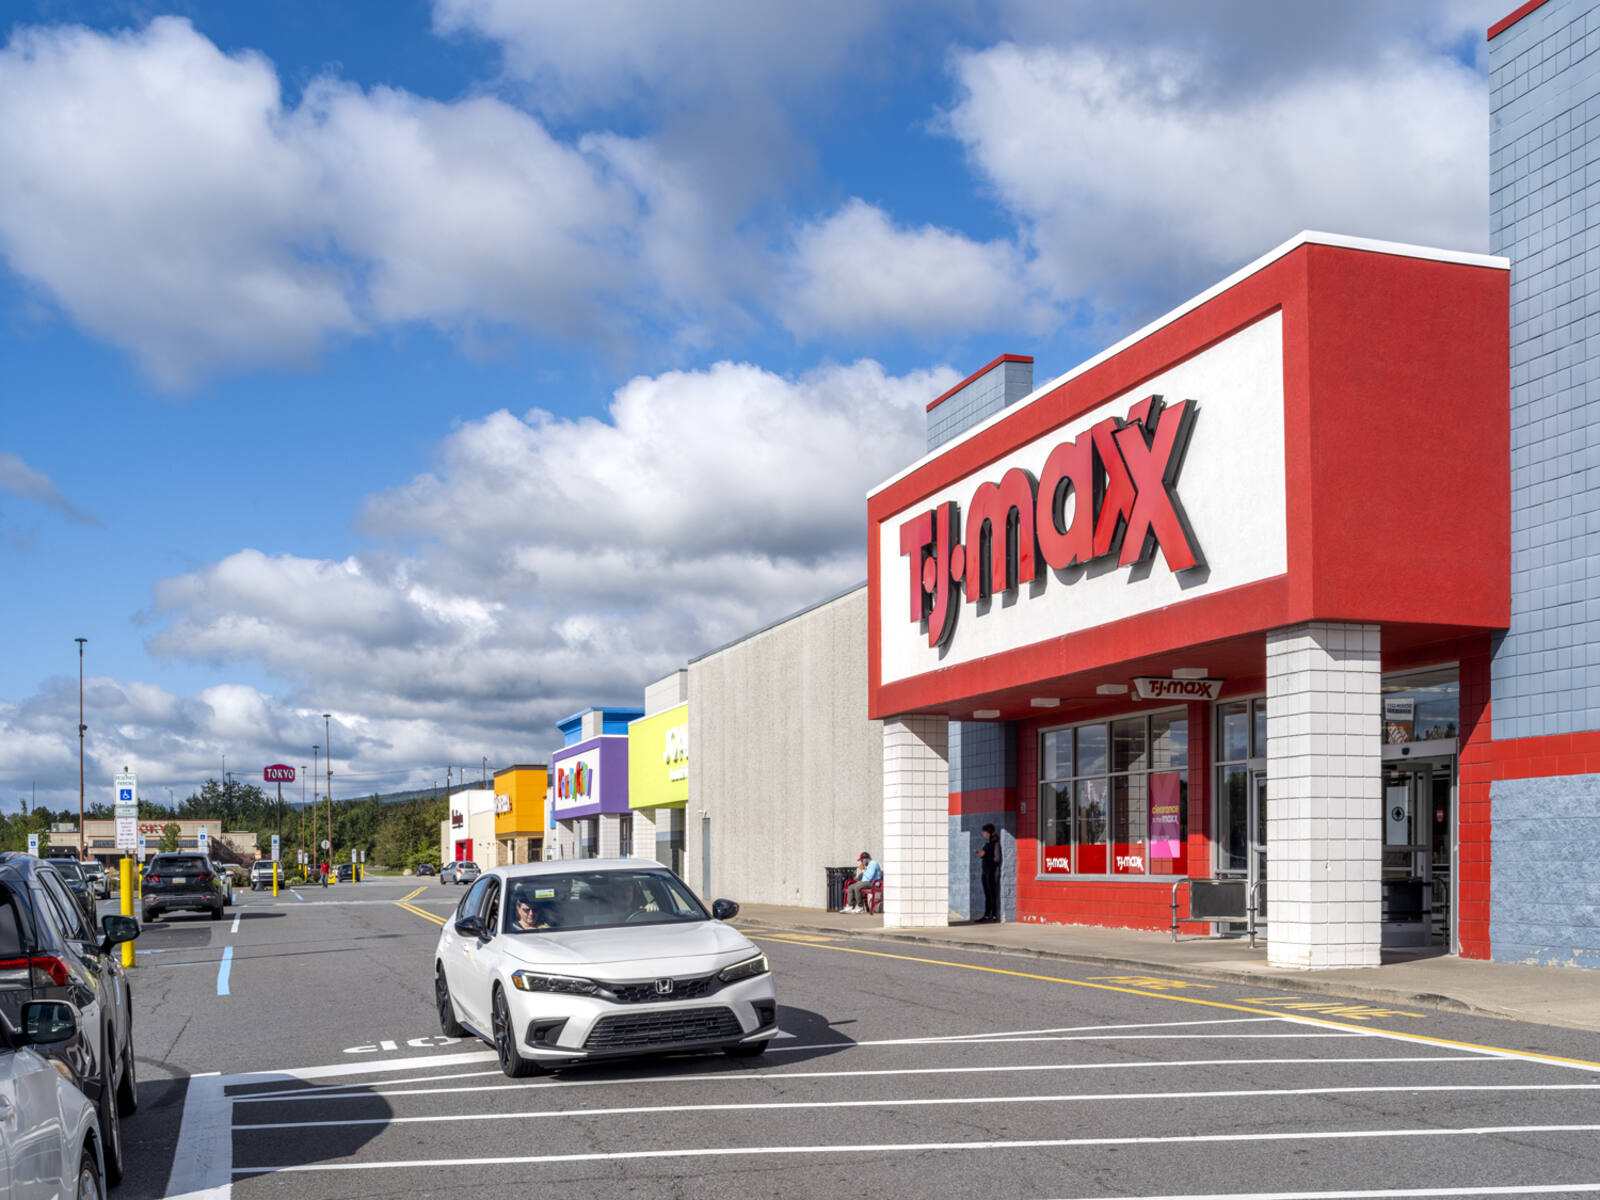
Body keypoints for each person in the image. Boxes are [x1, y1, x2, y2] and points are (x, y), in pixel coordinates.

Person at [976, 823, 1002, 922]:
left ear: (989, 833)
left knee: (992, 894)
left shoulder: (995, 844)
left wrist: (985, 854)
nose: (983, 833)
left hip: (992, 872)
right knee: (987, 894)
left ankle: (994, 915)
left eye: (984, 832)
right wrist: (982, 854)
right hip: (985, 872)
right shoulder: (987, 844)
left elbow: (997, 859)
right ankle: (987, 915)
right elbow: (986, 855)